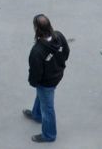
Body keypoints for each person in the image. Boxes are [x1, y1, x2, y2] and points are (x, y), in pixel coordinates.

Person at [23, 14, 68, 144]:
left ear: (36, 29)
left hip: (46, 82)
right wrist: (58, 65)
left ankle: (49, 135)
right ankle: (37, 115)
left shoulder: (37, 50)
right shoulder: (59, 36)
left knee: (48, 108)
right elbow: (66, 52)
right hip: (57, 75)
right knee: (42, 97)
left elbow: (35, 72)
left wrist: (33, 82)